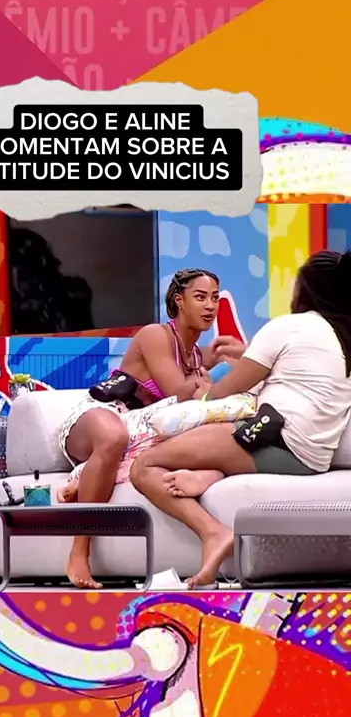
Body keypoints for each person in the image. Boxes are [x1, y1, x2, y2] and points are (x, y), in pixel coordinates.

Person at [130, 250, 351, 588]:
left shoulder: (289, 326)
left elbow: (223, 393)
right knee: (210, 445)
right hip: (312, 456)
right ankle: (210, 473)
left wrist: (206, 391)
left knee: (144, 465)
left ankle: (213, 533)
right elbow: (293, 380)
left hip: (277, 442)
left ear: (304, 291)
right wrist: (245, 358)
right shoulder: (343, 336)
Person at [59, 268, 223, 589]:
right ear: (179, 300)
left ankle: (86, 477)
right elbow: (177, 392)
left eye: (215, 298)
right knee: (113, 437)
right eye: (201, 297)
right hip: (103, 414)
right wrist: (205, 383)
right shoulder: (155, 335)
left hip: (139, 432)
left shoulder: (195, 355)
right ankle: (79, 551)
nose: (210, 306)